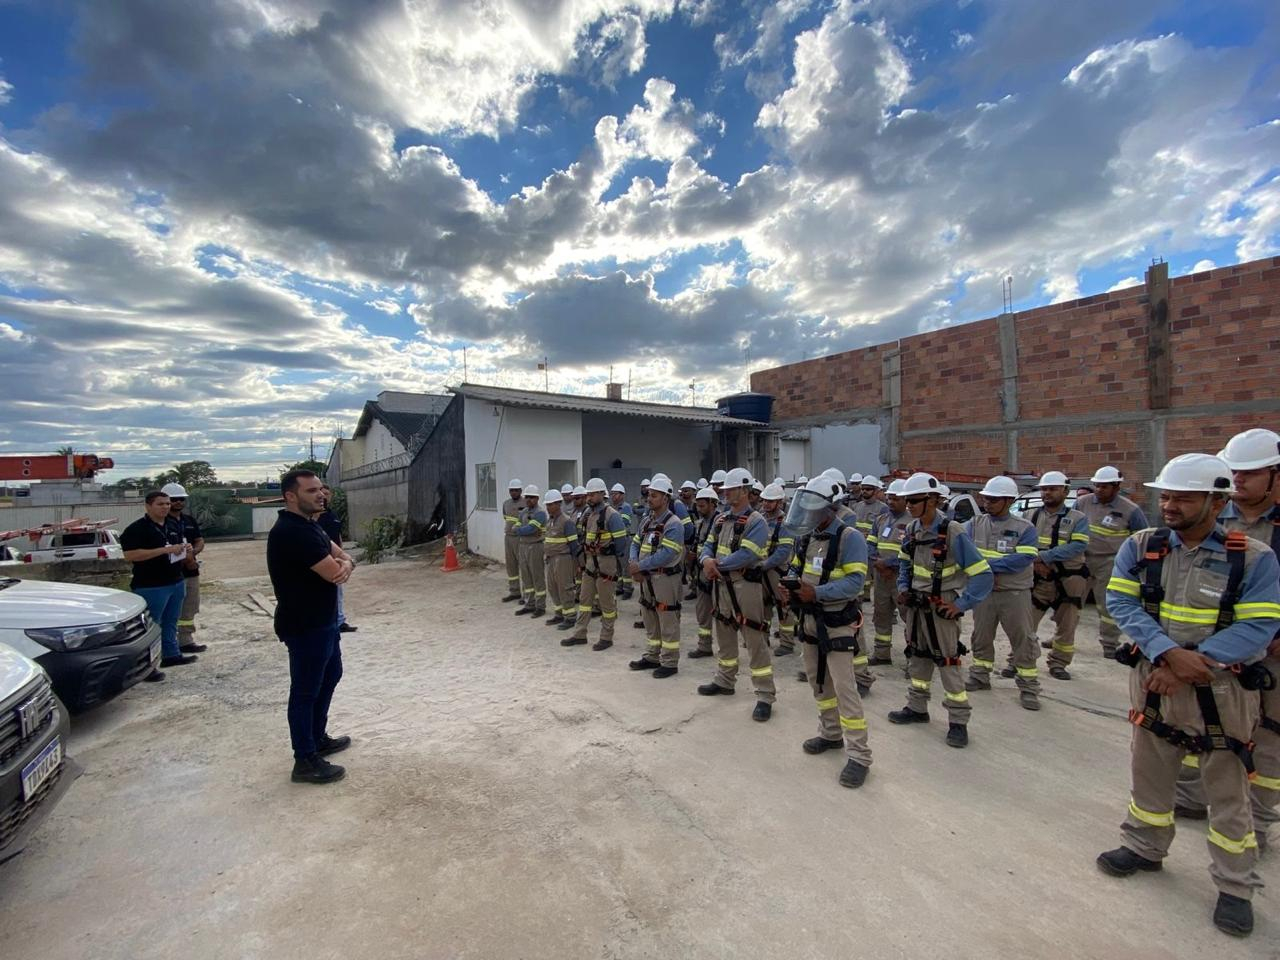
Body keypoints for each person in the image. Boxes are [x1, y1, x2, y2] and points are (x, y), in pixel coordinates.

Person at [1096, 453, 1280, 938]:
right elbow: (1121, 601)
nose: (1171, 505)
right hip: (1156, 678)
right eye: (1167, 496)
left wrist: (1193, 663)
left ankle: (1235, 887)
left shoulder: (1252, 557)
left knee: (1227, 786)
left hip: (1221, 687)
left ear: (1218, 502)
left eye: (1184, 497)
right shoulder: (1143, 546)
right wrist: (1164, 654)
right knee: (1150, 768)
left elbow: (1260, 625)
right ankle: (1144, 846)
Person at [1175, 429, 1280, 855]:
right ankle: (1191, 797)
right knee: (1197, 724)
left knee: (1269, 734)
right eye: (1233, 471)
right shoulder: (1214, 515)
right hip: (1211, 648)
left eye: (1249, 473)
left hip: (1271, 652)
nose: (1238, 480)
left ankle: (1258, 820)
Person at [888, 472, 993, 748]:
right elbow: (904, 564)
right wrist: (902, 586)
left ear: (933, 500)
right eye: (907, 500)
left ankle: (958, 721)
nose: (909, 505)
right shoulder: (911, 530)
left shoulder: (952, 532)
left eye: (915, 500)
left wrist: (960, 605)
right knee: (918, 656)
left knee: (947, 661)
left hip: (940, 604)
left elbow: (982, 574)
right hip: (916, 605)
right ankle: (917, 707)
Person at [266, 469, 356, 785]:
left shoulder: (311, 526)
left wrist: (343, 563)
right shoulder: (292, 532)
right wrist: (344, 565)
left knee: (330, 675)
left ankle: (317, 738)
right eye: (311, 491)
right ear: (291, 496)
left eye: (320, 489)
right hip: (305, 624)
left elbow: (343, 557)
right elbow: (336, 572)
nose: (320, 495)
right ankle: (304, 759)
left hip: (324, 621)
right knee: (305, 691)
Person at [784, 475, 872, 788]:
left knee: (845, 687)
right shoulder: (806, 537)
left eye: (813, 509)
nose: (806, 515)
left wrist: (816, 593)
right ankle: (831, 734)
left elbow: (855, 583)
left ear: (829, 508)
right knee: (817, 682)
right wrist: (791, 586)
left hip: (836, 621)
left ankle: (859, 755)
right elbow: (796, 568)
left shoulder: (851, 538)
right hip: (809, 620)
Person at [699, 467, 775, 720]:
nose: (726, 493)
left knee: (754, 637)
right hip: (721, 585)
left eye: (731, 489)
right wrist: (705, 560)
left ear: (745, 490)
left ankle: (765, 695)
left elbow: (749, 554)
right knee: (724, 634)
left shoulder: (757, 522)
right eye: (725, 490)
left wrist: (714, 565)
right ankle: (725, 680)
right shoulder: (721, 520)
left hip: (746, 586)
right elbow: (707, 545)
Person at [963, 476, 1042, 710]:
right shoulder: (975, 523)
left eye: (994, 500)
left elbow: (1024, 558)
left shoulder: (1024, 528)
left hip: (1014, 593)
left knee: (1023, 639)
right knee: (981, 635)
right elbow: (965, 552)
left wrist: (986, 566)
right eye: (986, 499)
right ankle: (980, 674)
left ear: (1008, 500)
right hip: (984, 592)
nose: (987, 503)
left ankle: (1028, 686)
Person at [121, 490, 195, 679]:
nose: (165, 507)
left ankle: (171, 654)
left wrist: (186, 550)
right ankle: (146, 666)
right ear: (148, 506)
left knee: (171, 620)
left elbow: (179, 546)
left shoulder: (172, 524)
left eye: (167, 504)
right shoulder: (137, 529)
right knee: (152, 625)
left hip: (175, 580)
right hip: (151, 584)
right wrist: (164, 550)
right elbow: (130, 555)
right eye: (160, 504)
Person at [1075, 466, 1147, 657]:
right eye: (1097, 486)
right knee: (1070, 601)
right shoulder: (1082, 503)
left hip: (1109, 562)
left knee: (1106, 606)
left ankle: (1109, 644)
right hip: (1082, 559)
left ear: (1116, 487)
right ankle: (1061, 637)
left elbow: (1140, 538)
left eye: (1104, 487)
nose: (1099, 490)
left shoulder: (1130, 510)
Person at [1030, 471, 1090, 680]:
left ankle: (1059, 663)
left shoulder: (1078, 519)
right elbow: (1021, 545)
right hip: (1038, 578)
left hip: (1069, 579)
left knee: (1067, 625)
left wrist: (1045, 557)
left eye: (1053, 488)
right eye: (1044, 489)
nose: (1047, 492)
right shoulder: (1032, 516)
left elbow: (1079, 545)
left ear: (1065, 491)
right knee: (1026, 623)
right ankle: (1019, 660)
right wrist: (1035, 563)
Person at [628, 477, 685, 677]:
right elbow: (635, 543)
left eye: (654, 495)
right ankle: (653, 655)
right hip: (647, 578)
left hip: (665, 578)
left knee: (667, 617)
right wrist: (634, 564)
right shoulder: (647, 520)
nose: (649, 499)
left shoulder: (674, 524)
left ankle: (669, 662)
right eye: (649, 495)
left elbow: (666, 555)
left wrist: (639, 566)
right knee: (649, 615)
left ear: (666, 498)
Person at [564, 478, 627, 649]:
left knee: (606, 603)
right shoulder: (588, 515)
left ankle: (606, 637)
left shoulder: (612, 515)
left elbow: (621, 543)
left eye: (592, 494)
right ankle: (579, 634)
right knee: (584, 601)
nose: (589, 498)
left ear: (601, 494)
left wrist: (609, 557)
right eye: (588, 495)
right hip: (590, 563)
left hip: (606, 563)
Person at [867, 479, 911, 665]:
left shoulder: (913, 522)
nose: (891, 502)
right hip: (880, 577)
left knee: (909, 617)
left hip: (901, 577)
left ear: (906, 500)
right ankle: (882, 654)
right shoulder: (881, 520)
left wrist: (890, 564)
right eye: (889, 498)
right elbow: (870, 543)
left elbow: (913, 552)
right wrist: (878, 563)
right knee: (881, 615)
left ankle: (914, 660)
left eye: (896, 499)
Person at [161, 482, 209, 654]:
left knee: (189, 607)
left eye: (181, 499)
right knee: (170, 609)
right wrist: (186, 558)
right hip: (170, 573)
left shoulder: (189, 520)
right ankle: (168, 644)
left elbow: (199, 540)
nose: (178, 502)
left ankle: (185, 640)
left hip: (191, 571)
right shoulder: (162, 523)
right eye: (173, 499)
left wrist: (193, 554)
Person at [758, 483, 797, 656]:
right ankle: (763, 638)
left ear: (779, 502)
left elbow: (783, 552)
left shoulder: (786, 523)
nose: (766, 504)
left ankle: (787, 643)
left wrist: (764, 565)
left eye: (770, 501)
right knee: (763, 606)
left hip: (778, 571)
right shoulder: (759, 519)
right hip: (761, 570)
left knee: (784, 606)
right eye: (765, 500)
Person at [319, 483, 356, 634]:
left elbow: (336, 536)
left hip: (336, 557)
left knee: (338, 591)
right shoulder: (315, 519)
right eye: (322, 493)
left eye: (327, 494)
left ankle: (339, 621)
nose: (324, 497)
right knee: (330, 590)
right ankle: (333, 621)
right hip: (324, 558)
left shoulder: (332, 515)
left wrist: (343, 555)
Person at [688, 486, 720, 658]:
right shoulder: (701, 523)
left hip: (717, 574)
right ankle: (704, 646)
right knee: (702, 611)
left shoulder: (720, 522)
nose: (699, 509)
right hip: (701, 573)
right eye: (697, 506)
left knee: (724, 613)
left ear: (713, 504)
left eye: (702, 506)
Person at [541, 490, 581, 626]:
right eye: (547, 505)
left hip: (563, 559)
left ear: (558, 504)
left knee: (565, 588)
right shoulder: (550, 521)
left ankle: (570, 617)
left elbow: (574, 545)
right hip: (551, 559)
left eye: (550, 505)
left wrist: (576, 565)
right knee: (552, 587)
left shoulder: (567, 522)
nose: (548, 508)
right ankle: (559, 614)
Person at [513, 485, 547, 617]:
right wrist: (521, 529)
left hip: (535, 546)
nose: (529, 499)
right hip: (523, 546)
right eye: (527, 497)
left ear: (537, 498)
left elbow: (531, 530)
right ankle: (529, 603)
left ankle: (540, 606)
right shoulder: (523, 512)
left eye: (532, 497)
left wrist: (520, 530)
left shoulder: (540, 513)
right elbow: (516, 525)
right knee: (526, 577)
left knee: (537, 577)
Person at [501, 480, 524, 602]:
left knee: (523, 565)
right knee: (511, 565)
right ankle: (514, 591)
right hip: (508, 537)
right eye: (511, 490)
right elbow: (505, 517)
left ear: (520, 490)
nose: (513, 492)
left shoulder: (526, 503)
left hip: (520, 538)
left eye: (516, 490)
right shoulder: (506, 504)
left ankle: (527, 594)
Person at [610, 483, 634, 599]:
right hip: (614, 539)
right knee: (617, 566)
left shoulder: (626, 507)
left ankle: (628, 589)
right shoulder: (612, 508)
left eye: (616, 494)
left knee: (625, 566)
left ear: (622, 495)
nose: (613, 496)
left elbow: (623, 522)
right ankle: (620, 587)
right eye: (612, 494)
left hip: (624, 539)